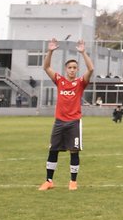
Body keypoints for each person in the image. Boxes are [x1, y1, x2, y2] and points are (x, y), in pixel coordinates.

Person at [38, 38, 95, 191]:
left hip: (74, 122)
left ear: (77, 70)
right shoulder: (60, 81)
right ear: (66, 69)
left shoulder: (80, 83)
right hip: (59, 121)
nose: (72, 69)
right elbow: (46, 67)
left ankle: (73, 182)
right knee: (53, 150)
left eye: (74, 67)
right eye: (69, 67)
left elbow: (91, 69)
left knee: (74, 151)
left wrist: (83, 53)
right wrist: (50, 51)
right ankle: (49, 181)